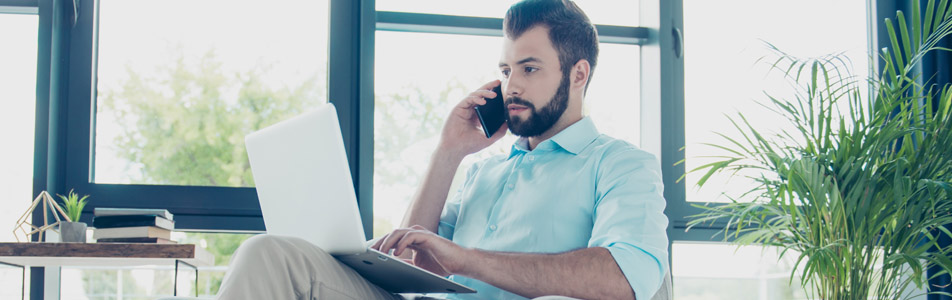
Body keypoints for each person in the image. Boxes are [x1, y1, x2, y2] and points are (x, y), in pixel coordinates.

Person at [215, 0, 669, 299]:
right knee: (267, 254)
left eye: (529, 68)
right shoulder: (481, 172)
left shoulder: (622, 165)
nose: (512, 85)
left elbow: (626, 277)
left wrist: (467, 259)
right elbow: (409, 257)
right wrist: (448, 152)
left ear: (578, 74)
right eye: (506, 69)